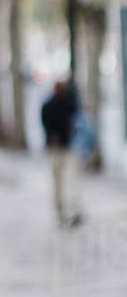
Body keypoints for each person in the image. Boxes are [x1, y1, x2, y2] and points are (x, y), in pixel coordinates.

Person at [41, 80, 84, 228]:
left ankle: (69, 212)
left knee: (67, 182)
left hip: (66, 148)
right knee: (59, 182)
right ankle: (62, 213)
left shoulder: (66, 105)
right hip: (57, 149)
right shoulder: (50, 106)